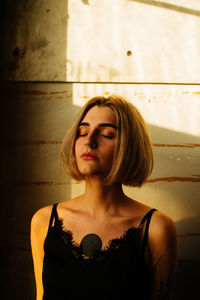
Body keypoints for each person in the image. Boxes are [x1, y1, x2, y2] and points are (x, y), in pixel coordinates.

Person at [30, 95, 177, 300]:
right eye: (82, 132)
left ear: (129, 145)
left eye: (107, 134)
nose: (88, 141)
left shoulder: (156, 228)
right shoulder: (45, 220)